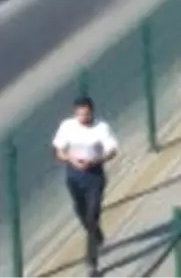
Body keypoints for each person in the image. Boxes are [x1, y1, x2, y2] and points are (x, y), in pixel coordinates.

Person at [52, 96, 117, 274]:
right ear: (75, 113)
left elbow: (112, 150)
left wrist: (97, 159)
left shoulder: (101, 128)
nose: (83, 118)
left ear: (92, 112)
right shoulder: (67, 126)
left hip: (94, 177)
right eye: (80, 115)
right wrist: (71, 158)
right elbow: (58, 151)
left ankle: (92, 263)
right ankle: (96, 233)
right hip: (74, 176)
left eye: (86, 114)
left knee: (92, 215)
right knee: (81, 211)